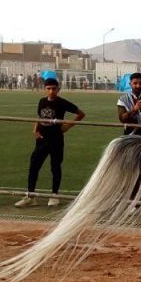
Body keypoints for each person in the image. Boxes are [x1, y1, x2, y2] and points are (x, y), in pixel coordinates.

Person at [15, 78, 85, 207]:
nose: (51, 91)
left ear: (58, 89)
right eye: (48, 88)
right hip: (41, 140)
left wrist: (68, 126)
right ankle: (31, 196)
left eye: (54, 88)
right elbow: (40, 117)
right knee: (34, 166)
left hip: (56, 140)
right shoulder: (42, 101)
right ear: (45, 89)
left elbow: (81, 114)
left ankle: (54, 195)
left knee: (55, 167)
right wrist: (35, 129)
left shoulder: (62, 103)